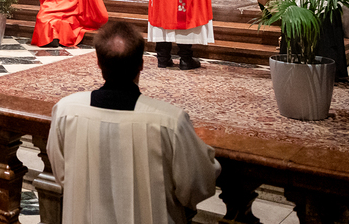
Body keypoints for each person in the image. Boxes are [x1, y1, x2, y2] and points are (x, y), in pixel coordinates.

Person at [48, 21, 221, 224]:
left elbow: (62, 175)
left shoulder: (66, 112)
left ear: (99, 63)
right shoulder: (169, 121)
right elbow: (197, 184)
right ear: (141, 64)